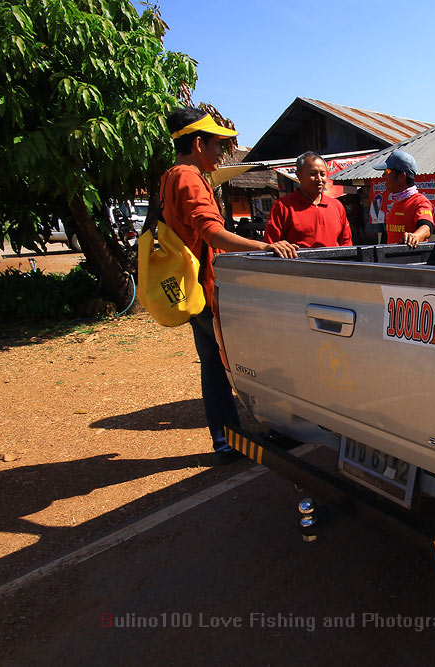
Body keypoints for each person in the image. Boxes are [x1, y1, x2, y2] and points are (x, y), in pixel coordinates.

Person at [162, 107, 299, 463]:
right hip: (207, 289)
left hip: (193, 289)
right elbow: (210, 231)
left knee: (212, 365)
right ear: (197, 143)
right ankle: (280, 427)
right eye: (216, 145)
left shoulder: (169, 176)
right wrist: (265, 246)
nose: (221, 154)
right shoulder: (189, 178)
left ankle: (224, 440)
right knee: (255, 357)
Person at [263, 152, 353, 247]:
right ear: (299, 175)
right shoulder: (282, 207)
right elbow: (272, 245)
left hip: (334, 261)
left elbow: (346, 243)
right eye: (313, 174)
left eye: (322, 174)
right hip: (300, 262)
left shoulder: (336, 206)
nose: (319, 179)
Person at [372, 150, 435, 247]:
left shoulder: (420, 202)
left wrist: (414, 236)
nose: (383, 175)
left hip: (409, 260)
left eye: (387, 171)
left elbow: (426, 228)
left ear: (402, 176)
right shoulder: (397, 202)